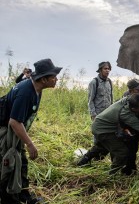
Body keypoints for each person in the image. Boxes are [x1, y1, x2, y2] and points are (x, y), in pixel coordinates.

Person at [0, 59, 62, 204]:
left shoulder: (36, 89)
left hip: (15, 132)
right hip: (6, 132)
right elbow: (14, 121)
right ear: (44, 79)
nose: (56, 79)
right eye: (53, 76)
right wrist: (29, 143)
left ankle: (24, 196)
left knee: (21, 162)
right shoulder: (26, 92)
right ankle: (9, 199)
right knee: (8, 165)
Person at [90, 93, 139, 174]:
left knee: (103, 147)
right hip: (102, 130)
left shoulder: (129, 100)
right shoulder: (126, 115)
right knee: (122, 152)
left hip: (103, 124)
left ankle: (84, 160)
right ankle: (111, 174)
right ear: (133, 109)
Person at [77, 61, 113, 166]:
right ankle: (94, 157)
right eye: (105, 69)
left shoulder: (109, 82)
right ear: (100, 70)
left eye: (108, 69)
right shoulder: (94, 82)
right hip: (98, 115)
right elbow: (90, 100)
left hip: (108, 114)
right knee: (97, 136)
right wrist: (93, 115)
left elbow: (111, 98)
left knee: (107, 135)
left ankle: (100, 157)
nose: (107, 71)